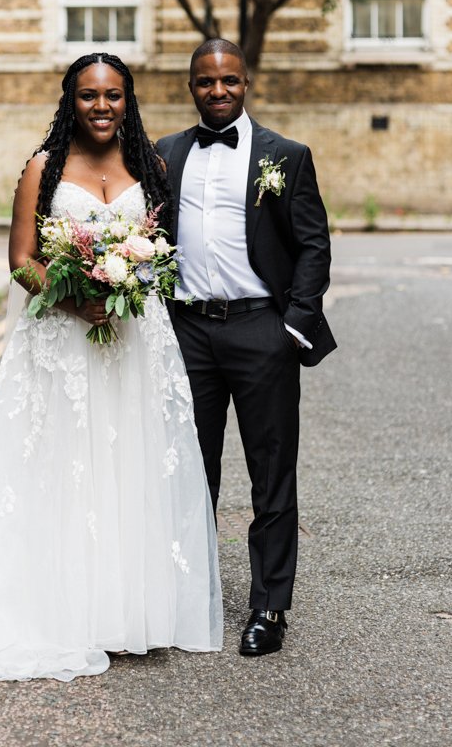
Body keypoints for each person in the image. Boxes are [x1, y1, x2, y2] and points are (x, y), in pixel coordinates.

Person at [0, 53, 222, 684]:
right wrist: (75, 296)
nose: (102, 107)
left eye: (113, 95)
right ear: (71, 101)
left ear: (128, 99)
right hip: (63, 342)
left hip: (135, 339)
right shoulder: (42, 168)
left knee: (129, 464)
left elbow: (161, 254)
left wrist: (128, 281)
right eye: (88, 96)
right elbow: (22, 262)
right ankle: (63, 606)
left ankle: (126, 609)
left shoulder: (151, 166)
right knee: (64, 464)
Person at [156, 38, 336, 657]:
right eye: (206, 82)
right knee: (189, 473)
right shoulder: (166, 154)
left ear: (246, 81)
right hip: (188, 333)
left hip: (262, 329)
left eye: (229, 80)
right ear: (191, 87)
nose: (218, 91)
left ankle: (269, 607)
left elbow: (314, 245)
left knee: (271, 474)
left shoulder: (285, 155)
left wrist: (293, 325)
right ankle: (189, 598)